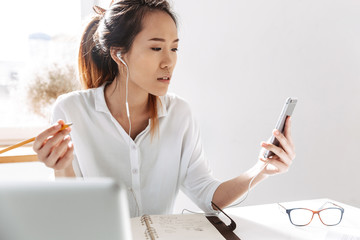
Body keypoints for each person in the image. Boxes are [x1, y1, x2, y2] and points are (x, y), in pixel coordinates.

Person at [33, 0, 295, 217]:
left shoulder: (180, 114)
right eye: (156, 48)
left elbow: (208, 197)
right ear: (118, 53)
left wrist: (262, 169)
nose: (169, 61)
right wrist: (60, 166)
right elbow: (70, 212)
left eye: (174, 48)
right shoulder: (71, 110)